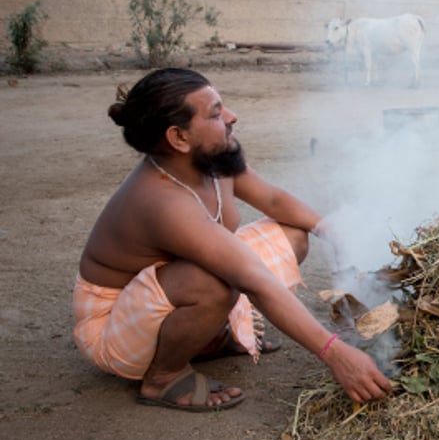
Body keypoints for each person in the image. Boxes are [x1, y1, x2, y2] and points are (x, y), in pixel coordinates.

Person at [73, 68, 393, 411]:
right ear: (179, 137)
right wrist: (336, 353)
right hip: (113, 326)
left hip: (167, 290)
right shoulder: (162, 203)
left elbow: (270, 199)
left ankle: (207, 337)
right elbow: (253, 280)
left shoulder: (212, 156)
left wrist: (329, 229)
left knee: (293, 236)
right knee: (212, 284)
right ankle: (163, 376)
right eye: (215, 112)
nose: (231, 117)